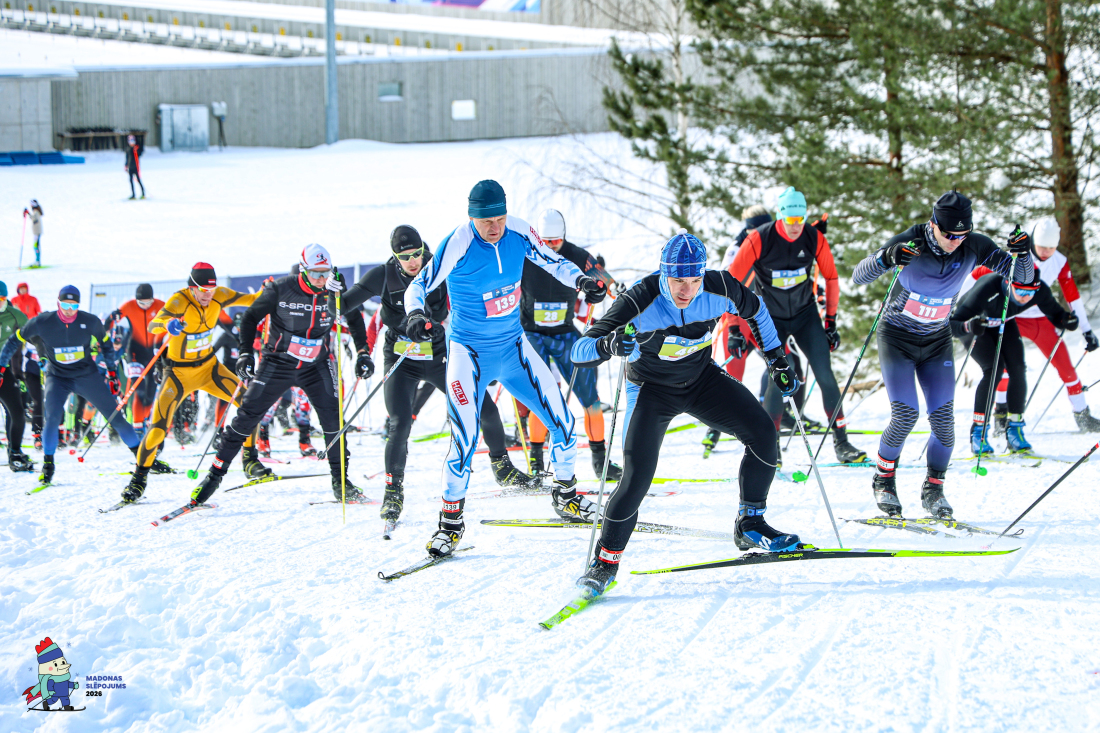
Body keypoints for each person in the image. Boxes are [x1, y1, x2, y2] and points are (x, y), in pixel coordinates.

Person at [570, 230, 802, 592]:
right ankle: (604, 562)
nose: (687, 290)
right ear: (664, 273)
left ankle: (750, 524)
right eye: (679, 280)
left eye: (695, 280)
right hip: (651, 390)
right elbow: (578, 351)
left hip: (701, 380)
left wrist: (777, 359)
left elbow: (757, 310)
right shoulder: (640, 299)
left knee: (762, 431)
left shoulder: (719, 286)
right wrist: (608, 345)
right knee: (636, 476)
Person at [404, 180, 608, 557]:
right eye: (486, 222)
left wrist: (582, 281)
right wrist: (416, 314)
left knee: (564, 423)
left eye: (499, 218)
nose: (495, 227)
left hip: (514, 348)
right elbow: (418, 285)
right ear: (472, 218)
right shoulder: (459, 242)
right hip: (469, 353)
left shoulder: (518, 230)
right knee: (464, 440)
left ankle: (566, 496)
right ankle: (450, 523)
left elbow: (553, 261)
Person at [333, 226, 535, 524]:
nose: (412, 261)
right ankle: (393, 492)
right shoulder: (383, 276)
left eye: (416, 254)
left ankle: (502, 468)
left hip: (440, 355)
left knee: (485, 408)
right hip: (401, 358)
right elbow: (340, 308)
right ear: (394, 257)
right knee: (399, 424)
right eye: (404, 257)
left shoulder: (441, 265)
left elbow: (479, 294)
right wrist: (333, 294)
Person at [852, 191, 1035, 519]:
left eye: (962, 235)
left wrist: (1023, 255)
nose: (955, 241)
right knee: (905, 414)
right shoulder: (911, 241)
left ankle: (934, 489)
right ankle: (884, 479)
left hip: (936, 342)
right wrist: (887, 258)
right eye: (949, 234)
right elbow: (858, 276)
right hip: (897, 339)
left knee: (944, 423)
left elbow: (1022, 280)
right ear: (934, 224)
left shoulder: (974, 245)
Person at [189, 245, 364, 506]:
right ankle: (213, 476)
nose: (321, 279)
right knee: (247, 416)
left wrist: (363, 352)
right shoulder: (281, 289)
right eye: (315, 273)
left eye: (325, 272)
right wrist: (245, 353)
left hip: (316, 366)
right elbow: (249, 318)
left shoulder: (334, 288)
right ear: (303, 270)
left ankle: (341, 482)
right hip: (278, 363)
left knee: (334, 419)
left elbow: (355, 318)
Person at [726, 187, 863, 463]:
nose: (795, 226)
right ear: (780, 216)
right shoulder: (759, 238)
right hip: (769, 319)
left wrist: (831, 321)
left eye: (801, 219)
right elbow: (731, 281)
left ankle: (842, 442)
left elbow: (831, 278)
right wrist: (733, 328)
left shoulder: (813, 238)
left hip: (804, 315)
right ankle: (771, 445)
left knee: (825, 374)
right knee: (780, 373)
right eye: (790, 220)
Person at [119, 264, 261, 503]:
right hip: (178, 374)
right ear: (192, 287)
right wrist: (167, 325)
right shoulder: (180, 300)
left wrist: (267, 290)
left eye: (211, 289)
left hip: (209, 369)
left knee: (249, 404)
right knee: (157, 429)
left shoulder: (219, 295)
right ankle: (138, 480)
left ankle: (250, 459)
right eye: (203, 290)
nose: (208, 295)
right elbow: (154, 323)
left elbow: (252, 299)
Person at [0, 286, 151, 486]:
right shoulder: (42, 322)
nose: (69, 310)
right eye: (65, 305)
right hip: (57, 378)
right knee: (52, 419)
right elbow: (13, 341)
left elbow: (106, 344)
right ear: (58, 303)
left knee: (116, 417)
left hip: (86, 376)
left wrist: (113, 373)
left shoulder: (90, 321)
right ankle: (48, 465)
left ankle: (143, 460)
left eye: (74, 305)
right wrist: (1, 367)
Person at [963, 215, 1100, 433]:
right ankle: (1001, 413)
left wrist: (1087, 330)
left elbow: (1072, 296)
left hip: (1040, 319)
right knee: (1005, 368)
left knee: (1065, 365)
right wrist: (956, 303)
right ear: (1034, 241)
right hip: (1012, 317)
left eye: (1051, 247)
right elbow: (977, 273)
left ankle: (1083, 414)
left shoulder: (1060, 262)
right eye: (1042, 246)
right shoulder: (1015, 258)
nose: (1046, 252)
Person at [519, 209, 622, 480]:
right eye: (546, 241)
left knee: (590, 398)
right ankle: (536, 461)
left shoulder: (576, 255)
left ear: (564, 236)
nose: (552, 246)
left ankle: (600, 461)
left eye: (557, 241)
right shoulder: (526, 253)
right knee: (541, 396)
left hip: (564, 332)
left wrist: (607, 289)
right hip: (532, 333)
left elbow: (604, 279)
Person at [951, 273, 1076, 454]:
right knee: (994, 369)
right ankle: (978, 433)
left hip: (1004, 322)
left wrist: (1066, 320)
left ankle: (1015, 430)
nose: (1025, 297)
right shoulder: (988, 288)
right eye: (1020, 291)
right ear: (1008, 284)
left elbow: (1056, 313)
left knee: (1018, 368)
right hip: (977, 324)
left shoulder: (1039, 290)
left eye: (1030, 292)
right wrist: (968, 326)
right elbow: (952, 325)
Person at [105, 284, 166, 440]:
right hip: (134, 353)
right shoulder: (129, 306)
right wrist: (107, 328)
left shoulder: (161, 305)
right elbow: (110, 320)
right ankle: (137, 426)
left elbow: (178, 318)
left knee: (151, 392)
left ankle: (144, 421)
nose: (145, 306)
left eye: (148, 302)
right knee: (138, 387)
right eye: (141, 303)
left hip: (154, 353)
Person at [0, 281, 33, 471]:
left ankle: (15, 453)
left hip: (3, 371)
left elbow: (32, 334)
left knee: (17, 412)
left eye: (1, 298)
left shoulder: (16, 315)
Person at [22, 200, 43, 268]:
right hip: (36, 232)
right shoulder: (36, 212)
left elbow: (34, 219)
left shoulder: (36, 212)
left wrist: (28, 213)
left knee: (35, 246)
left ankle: (37, 261)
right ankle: (37, 261)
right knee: (36, 246)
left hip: (37, 232)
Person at [125, 134, 145, 200]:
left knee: (138, 180)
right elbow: (127, 158)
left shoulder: (136, 149)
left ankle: (143, 193)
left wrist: (137, 150)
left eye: (133, 141)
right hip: (130, 167)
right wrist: (126, 165)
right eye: (130, 141)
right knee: (131, 181)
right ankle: (133, 194)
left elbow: (140, 153)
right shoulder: (128, 149)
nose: (131, 143)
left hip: (136, 167)